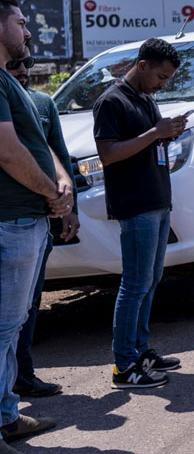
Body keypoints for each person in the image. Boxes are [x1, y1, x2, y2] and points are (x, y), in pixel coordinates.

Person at [93, 38, 189, 390]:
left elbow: (150, 142)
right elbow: (108, 154)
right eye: (160, 77)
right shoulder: (111, 101)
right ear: (143, 65)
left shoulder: (145, 98)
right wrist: (155, 133)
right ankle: (124, 366)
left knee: (150, 280)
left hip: (157, 200)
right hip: (136, 205)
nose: (162, 84)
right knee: (134, 284)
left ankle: (141, 350)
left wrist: (169, 132)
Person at [0, 0, 67, 451]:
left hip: (24, 222)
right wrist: (49, 191)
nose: (28, 31)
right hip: (12, 223)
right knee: (3, 331)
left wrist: (59, 184)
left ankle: (7, 417)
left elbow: (37, 143)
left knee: (9, 329)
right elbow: (7, 151)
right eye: (21, 23)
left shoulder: (9, 81)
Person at [10, 56, 79, 398]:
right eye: (16, 64)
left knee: (28, 305)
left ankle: (23, 375)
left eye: (28, 63)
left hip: (40, 220)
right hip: (12, 220)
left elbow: (57, 154)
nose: (23, 69)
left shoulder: (41, 103)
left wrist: (69, 206)